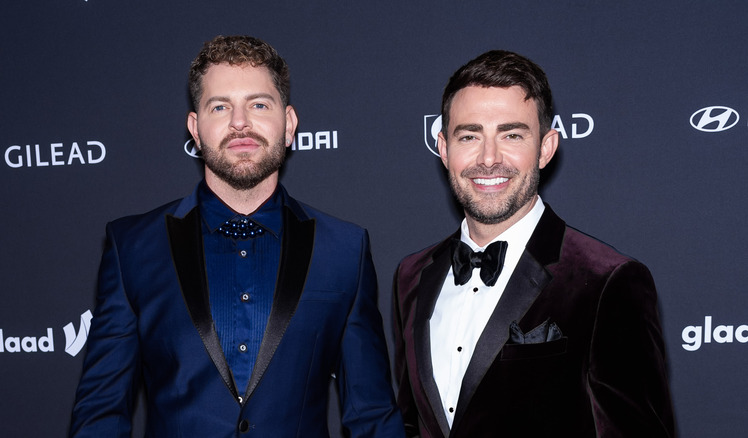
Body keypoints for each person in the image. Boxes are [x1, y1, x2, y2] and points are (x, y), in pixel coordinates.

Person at [70, 35, 404, 437]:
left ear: (290, 124)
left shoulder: (344, 249)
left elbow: (372, 417)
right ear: (195, 128)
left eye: (259, 105)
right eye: (220, 106)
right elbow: (100, 415)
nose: (240, 122)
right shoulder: (133, 247)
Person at [392, 50, 674, 437]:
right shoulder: (413, 275)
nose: (488, 158)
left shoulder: (608, 281)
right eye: (470, 135)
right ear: (443, 149)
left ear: (545, 147)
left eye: (511, 135)